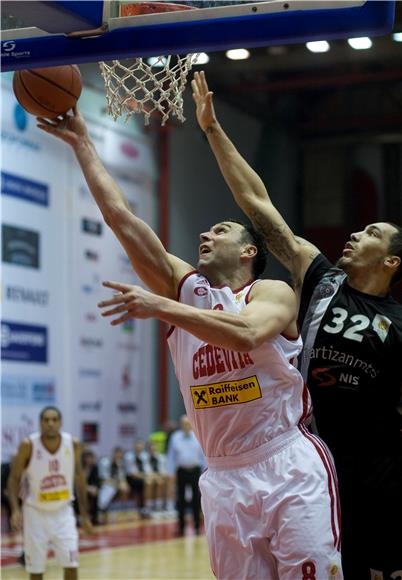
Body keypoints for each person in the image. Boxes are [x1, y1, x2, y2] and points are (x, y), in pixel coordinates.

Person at [37, 107, 343, 579]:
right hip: (222, 475)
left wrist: (160, 308)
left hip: (285, 463)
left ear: (249, 252)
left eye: (220, 230)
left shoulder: (269, 292)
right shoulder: (187, 288)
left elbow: (246, 335)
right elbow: (120, 218)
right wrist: (83, 144)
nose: (204, 233)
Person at [190, 71, 402, 579]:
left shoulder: (397, 323)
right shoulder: (321, 278)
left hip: (378, 469)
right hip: (306, 455)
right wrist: (214, 130)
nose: (355, 233)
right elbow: (258, 206)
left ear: (392, 262)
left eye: (371, 232)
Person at [7, 406, 93, 580]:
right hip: (35, 514)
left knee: (71, 566)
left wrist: (84, 514)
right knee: (36, 571)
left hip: (63, 513)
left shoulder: (72, 444)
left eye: (54, 419)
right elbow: (13, 479)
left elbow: (79, 477)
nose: (50, 423)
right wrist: (15, 509)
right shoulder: (28, 445)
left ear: (60, 422)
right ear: (40, 423)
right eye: (46, 420)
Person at [166, 415, 205, 535]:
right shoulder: (175, 437)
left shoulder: (198, 436)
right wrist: (170, 474)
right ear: (181, 425)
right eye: (183, 424)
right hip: (181, 471)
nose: (186, 426)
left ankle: (197, 527)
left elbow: (203, 456)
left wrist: (204, 473)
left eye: (188, 423)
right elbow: (171, 457)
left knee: (196, 499)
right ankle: (181, 527)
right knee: (181, 499)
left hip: (195, 471)